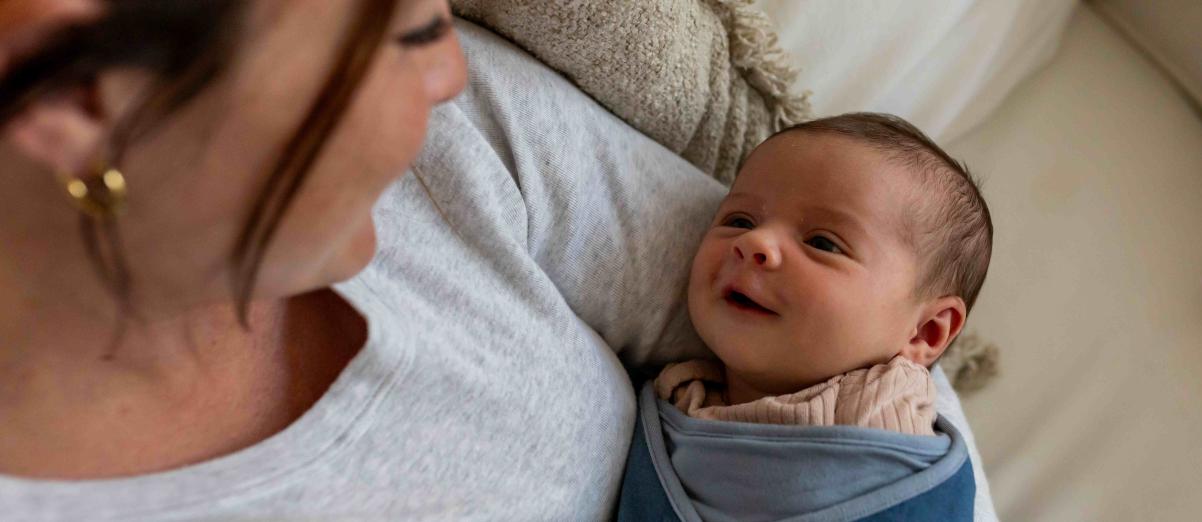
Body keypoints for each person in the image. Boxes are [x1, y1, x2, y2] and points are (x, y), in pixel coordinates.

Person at [1, 1, 997, 519]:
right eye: (409, 33)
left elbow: (893, 384)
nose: (455, 68)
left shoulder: (460, 150)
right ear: (86, 97)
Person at [617, 113, 993, 521]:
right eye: (739, 220)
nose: (753, 241)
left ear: (924, 331)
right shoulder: (679, 397)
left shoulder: (893, 433)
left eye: (822, 243)